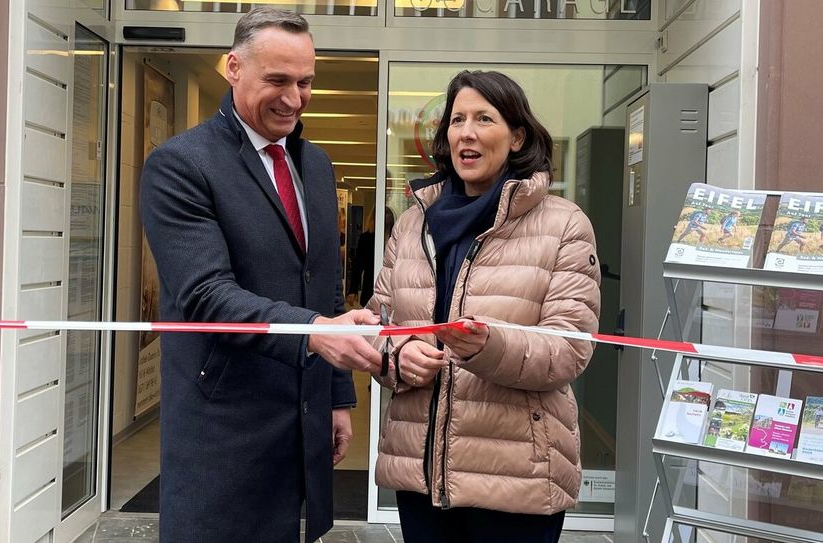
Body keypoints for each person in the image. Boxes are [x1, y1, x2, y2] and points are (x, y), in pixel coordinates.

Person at [139, 8, 382, 543]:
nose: (293, 98)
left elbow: (324, 285)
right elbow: (204, 295)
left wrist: (338, 397)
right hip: (223, 428)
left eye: (305, 82)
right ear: (232, 67)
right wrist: (314, 332)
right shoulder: (181, 165)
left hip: (301, 417)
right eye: (276, 80)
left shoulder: (314, 165)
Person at [368, 70, 601, 543]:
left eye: (483, 118)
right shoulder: (414, 224)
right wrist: (396, 356)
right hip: (421, 474)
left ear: (517, 137)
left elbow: (568, 349)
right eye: (457, 120)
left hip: (518, 478)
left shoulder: (564, 225)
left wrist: (485, 347)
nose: (466, 132)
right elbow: (378, 322)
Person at [346, 206, 395, 308]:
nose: (386, 217)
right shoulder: (366, 238)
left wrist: (353, 290)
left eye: (387, 214)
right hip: (374, 285)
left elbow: (358, 265)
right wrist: (353, 289)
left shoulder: (395, 238)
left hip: (387, 285)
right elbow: (358, 265)